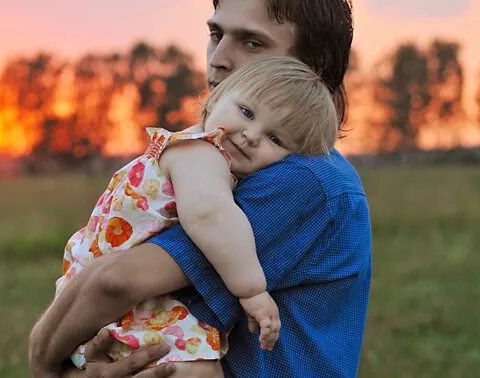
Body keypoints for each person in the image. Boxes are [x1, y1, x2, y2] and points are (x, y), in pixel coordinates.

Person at [29, 0, 372, 378]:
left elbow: (114, 281)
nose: (218, 58)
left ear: (310, 72)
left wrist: (45, 362)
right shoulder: (231, 160)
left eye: (252, 42)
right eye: (216, 33)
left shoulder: (304, 179)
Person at [55, 58, 338, 376]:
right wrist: (252, 290)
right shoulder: (201, 153)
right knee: (199, 371)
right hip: (125, 309)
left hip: (95, 301)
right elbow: (209, 215)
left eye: (276, 139)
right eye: (246, 112)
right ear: (215, 98)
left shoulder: (190, 150)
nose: (251, 136)